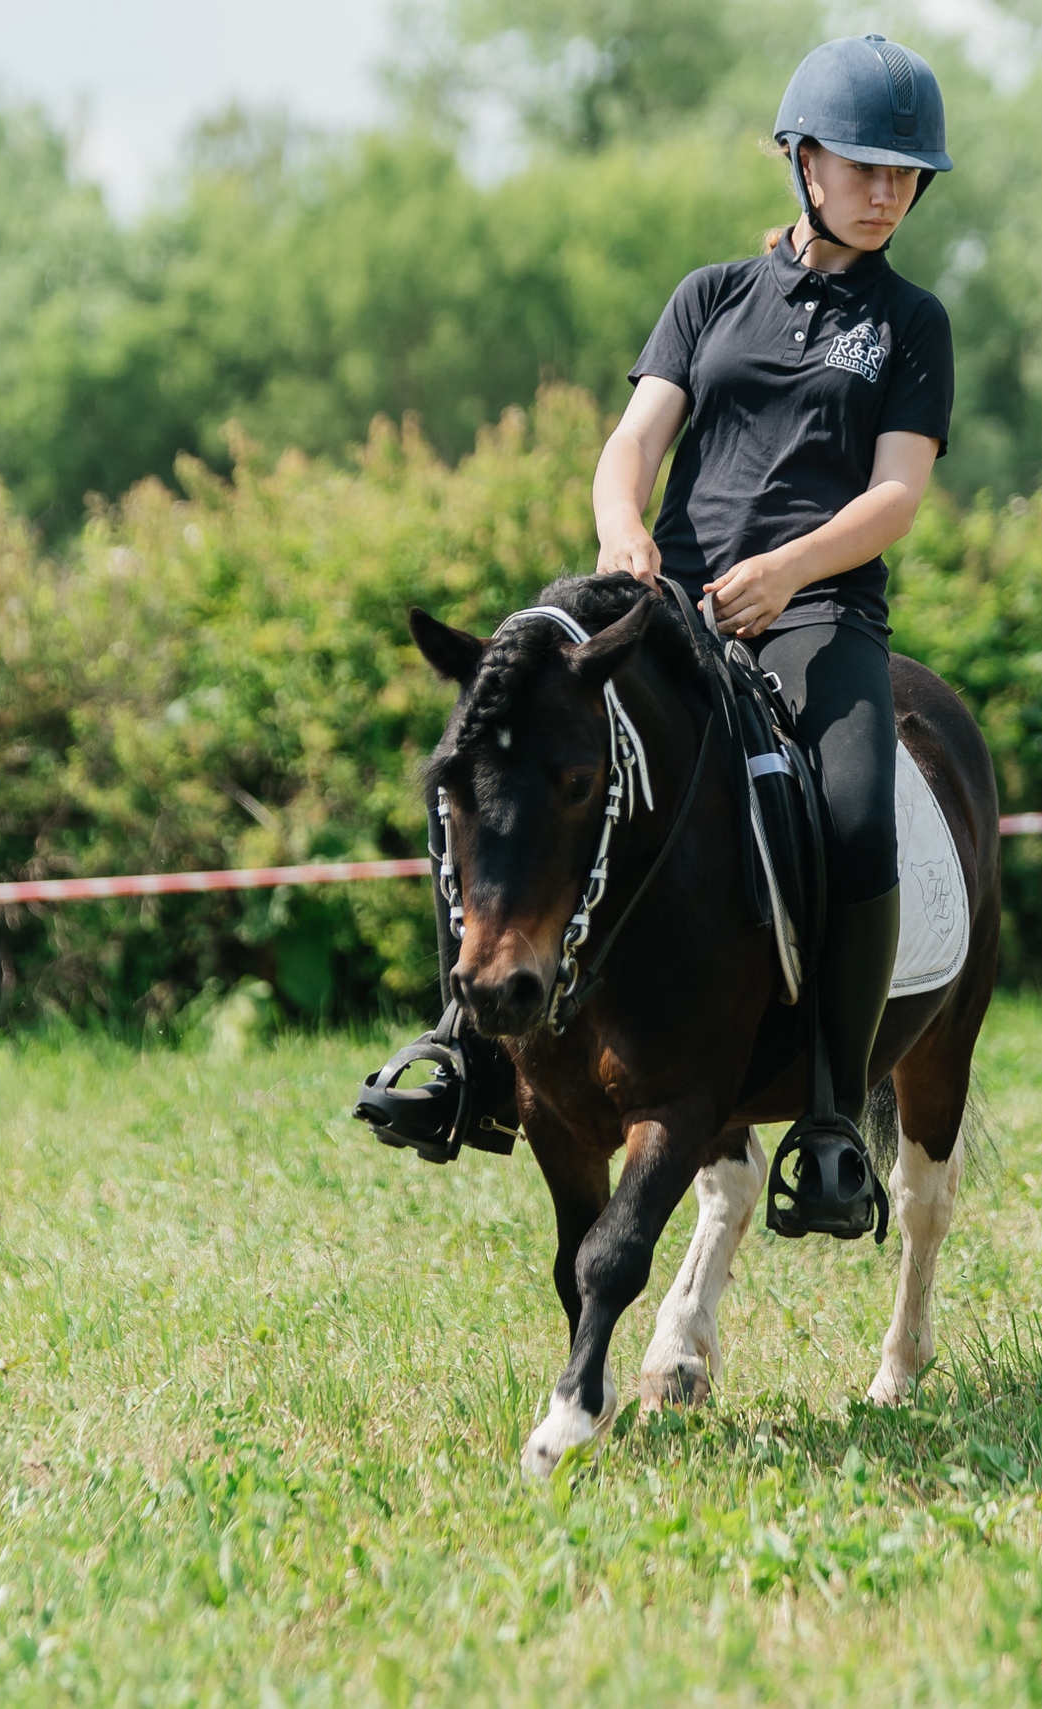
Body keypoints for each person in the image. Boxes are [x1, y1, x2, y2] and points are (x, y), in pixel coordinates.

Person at [359, 34, 956, 1239]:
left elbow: (895, 495)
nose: (888, 192)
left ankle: (834, 1121)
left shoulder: (909, 323)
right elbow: (632, 442)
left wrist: (785, 570)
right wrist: (622, 528)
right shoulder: (710, 295)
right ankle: (466, 1056)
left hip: (820, 615)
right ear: (801, 161)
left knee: (849, 816)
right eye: (864, 166)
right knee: (499, 771)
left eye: (906, 175)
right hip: (663, 608)